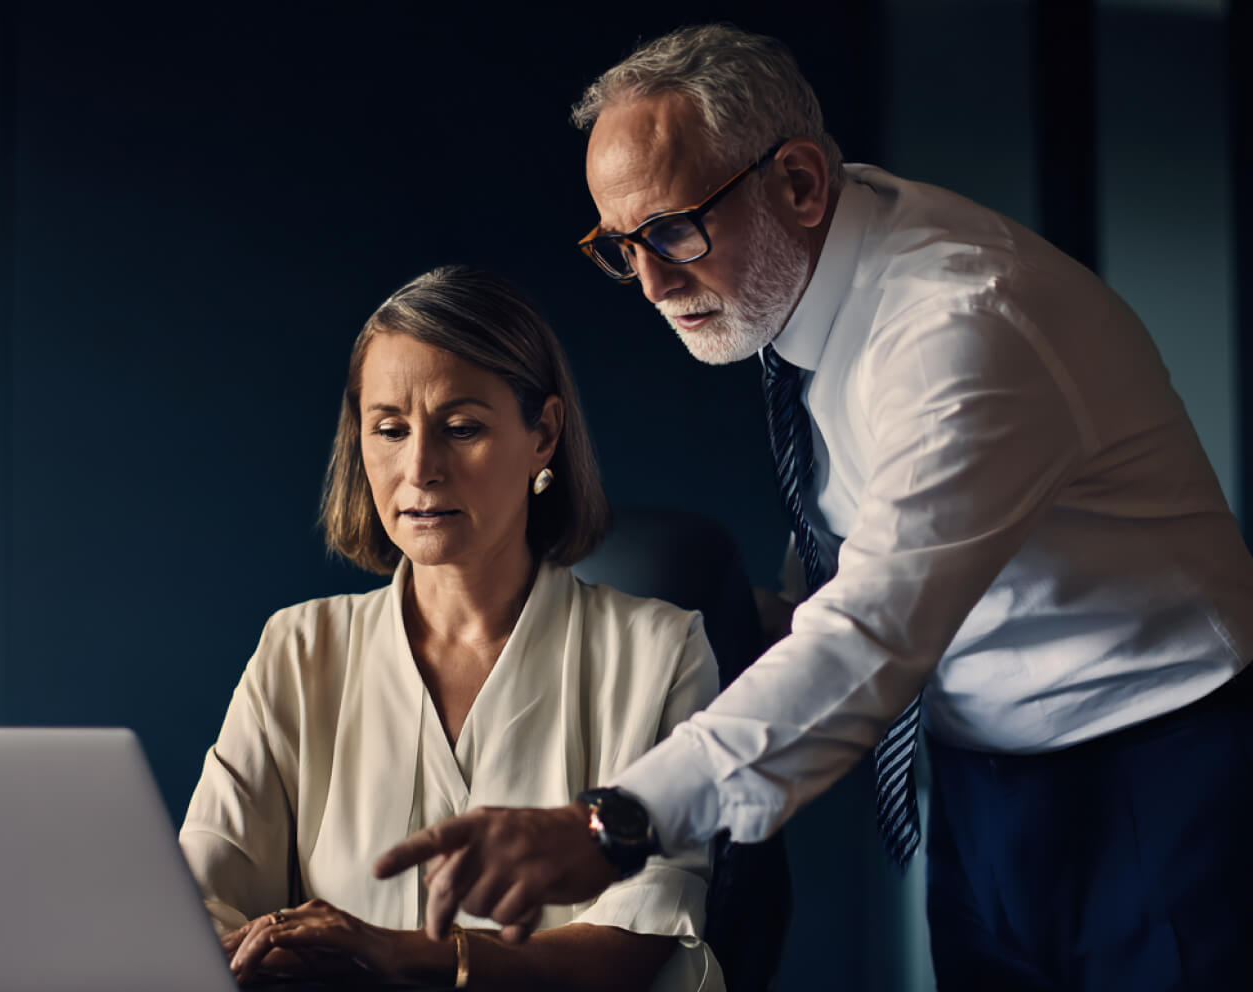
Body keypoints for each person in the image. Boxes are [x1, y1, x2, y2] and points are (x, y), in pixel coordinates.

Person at [375, 25, 1253, 990]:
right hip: (983, 778)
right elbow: (866, 521)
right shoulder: (810, 254)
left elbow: (874, 626)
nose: (656, 285)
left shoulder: (961, 328)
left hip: (1161, 772)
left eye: (673, 230)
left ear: (798, 182)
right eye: (623, 247)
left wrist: (618, 820)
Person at [180, 265, 725, 991]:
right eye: (389, 429)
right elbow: (197, 898)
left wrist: (396, 953)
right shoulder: (298, 651)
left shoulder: (660, 655)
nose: (420, 468)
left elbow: (637, 942)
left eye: (461, 428)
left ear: (544, 435)